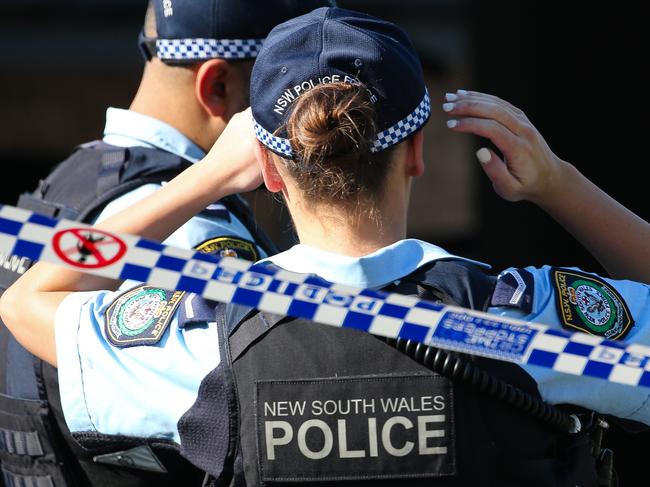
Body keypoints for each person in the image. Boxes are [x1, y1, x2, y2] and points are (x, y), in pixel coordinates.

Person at [2, 6, 649, 486]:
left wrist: (204, 178)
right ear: (417, 153)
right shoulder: (519, 321)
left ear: (270, 168)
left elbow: (32, 295)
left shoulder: (205, 341)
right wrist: (560, 185)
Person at [0, 1, 334, 485]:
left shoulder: (67, 183)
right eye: (282, 95)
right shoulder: (191, 226)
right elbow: (257, 415)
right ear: (217, 86)